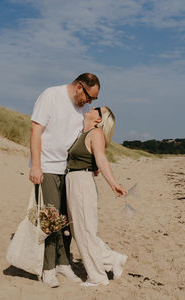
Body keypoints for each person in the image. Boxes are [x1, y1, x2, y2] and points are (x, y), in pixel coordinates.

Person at [29, 73, 100, 288]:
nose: (89, 103)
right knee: (51, 218)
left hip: (69, 170)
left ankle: (63, 262)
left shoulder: (81, 110)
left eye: (93, 100)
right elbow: (35, 130)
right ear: (80, 87)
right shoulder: (51, 95)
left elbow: (82, 139)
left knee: (67, 219)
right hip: (48, 167)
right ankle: (48, 267)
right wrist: (36, 165)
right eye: (89, 97)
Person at [66, 106, 128, 287]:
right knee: (80, 231)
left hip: (81, 182)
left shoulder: (96, 133)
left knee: (85, 231)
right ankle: (112, 259)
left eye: (97, 109)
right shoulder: (83, 132)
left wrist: (114, 184)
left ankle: (97, 277)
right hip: (74, 181)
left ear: (99, 119)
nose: (92, 107)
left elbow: (101, 158)